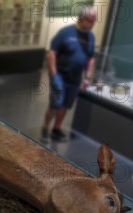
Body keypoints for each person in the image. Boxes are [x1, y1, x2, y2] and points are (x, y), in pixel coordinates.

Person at [42, 6, 97, 142]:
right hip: (60, 75)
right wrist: (53, 74)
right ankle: (45, 127)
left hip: (75, 77)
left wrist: (88, 77)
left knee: (66, 104)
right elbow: (52, 54)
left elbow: (90, 58)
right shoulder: (65, 33)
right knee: (56, 102)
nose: (92, 24)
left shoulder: (91, 37)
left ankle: (57, 128)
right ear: (81, 18)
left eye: (94, 21)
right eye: (90, 20)